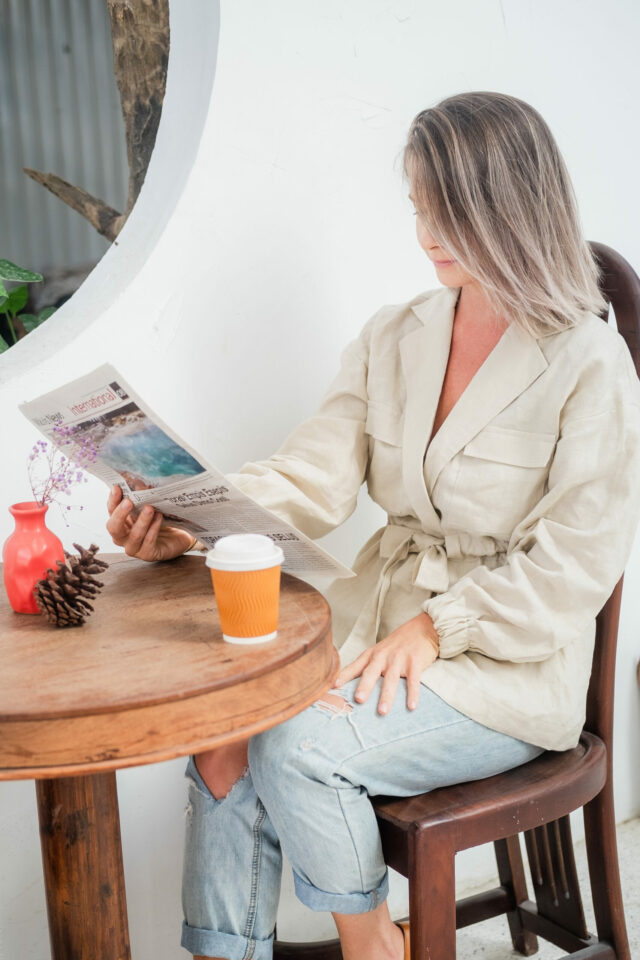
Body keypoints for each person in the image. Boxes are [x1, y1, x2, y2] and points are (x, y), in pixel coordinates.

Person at [106, 91, 640, 960]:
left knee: (299, 744)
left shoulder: (590, 361)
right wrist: (190, 518)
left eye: (448, 207)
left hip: (506, 665)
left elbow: (575, 565)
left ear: (508, 205)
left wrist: (441, 627)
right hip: (378, 629)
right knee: (225, 733)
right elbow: (309, 477)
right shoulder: (393, 337)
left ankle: (372, 946)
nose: (426, 229)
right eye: (418, 205)